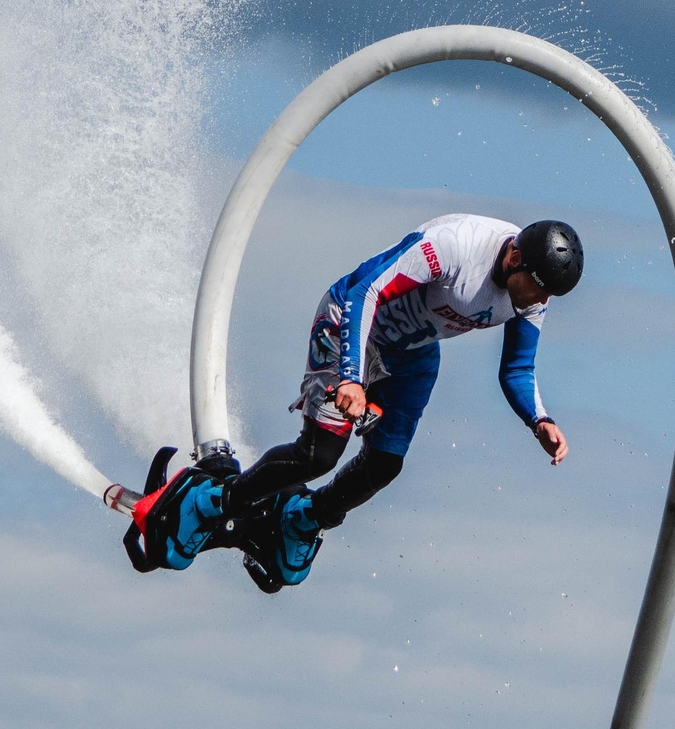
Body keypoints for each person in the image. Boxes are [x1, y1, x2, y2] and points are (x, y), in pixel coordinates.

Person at [115, 213, 581, 590]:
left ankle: (300, 519)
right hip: (349, 324)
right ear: (515, 256)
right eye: (537, 286)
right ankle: (210, 503)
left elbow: (517, 370)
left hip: (410, 352)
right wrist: (352, 378)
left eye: (548, 294)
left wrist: (538, 418)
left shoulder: (535, 293)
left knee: (385, 465)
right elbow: (367, 290)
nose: (539, 300)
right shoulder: (455, 246)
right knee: (319, 455)